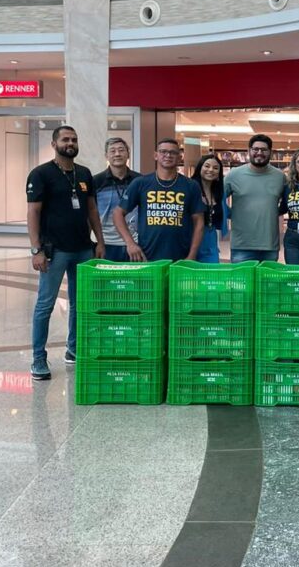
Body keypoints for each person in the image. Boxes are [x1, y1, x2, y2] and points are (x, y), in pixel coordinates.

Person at [26, 125, 105, 380]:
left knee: (79, 304)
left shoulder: (84, 174)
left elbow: (92, 210)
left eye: (74, 139)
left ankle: (73, 350)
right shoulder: (41, 174)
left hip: (83, 248)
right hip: (54, 251)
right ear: (54, 144)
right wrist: (36, 249)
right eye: (65, 139)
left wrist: (99, 242)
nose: (70, 143)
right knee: (45, 305)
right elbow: (33, 212)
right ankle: (38, 358)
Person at [114, 138, 204, 262]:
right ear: (156, 155)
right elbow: (118, 213)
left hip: (181, 258)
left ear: (179, 157)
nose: (168, 155)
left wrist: (192, 255)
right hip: (146, 257)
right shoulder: (141, 183)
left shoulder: (191, 186)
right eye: (163, 152)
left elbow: (199, 222)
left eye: (173, 153)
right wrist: (130, 243)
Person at [224, 134, 285, 262]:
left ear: (270, 152)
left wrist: (273, 212)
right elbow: (218, 199)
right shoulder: (233, 175)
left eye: (263, 150)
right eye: (255, 149)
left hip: (269, 245)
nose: (259, 153)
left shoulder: (280, 177)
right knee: (241, 282)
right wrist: (231, 213)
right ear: (249, 151)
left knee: (267, 282)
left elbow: (288, 202)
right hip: (241, 245)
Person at [93, 137, 140, 262]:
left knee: (135, 281)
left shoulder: (140, 181)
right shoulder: (96, 181)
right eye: (112, 151)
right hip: (107, 243)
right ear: (106, 155)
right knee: (108, 281)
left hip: (136, 243)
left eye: (121, 150)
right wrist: (98, 242)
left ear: (128, 154)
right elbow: (91, 213)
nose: (117, 154)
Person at [192, 153, 228, 264]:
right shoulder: (189, 188)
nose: (211, 170)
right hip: (191, 239)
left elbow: (227, 211)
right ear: (200, 168)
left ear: (219, 173)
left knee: (211, 276)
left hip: (211, 242)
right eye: (207, 166)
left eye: (215, 168)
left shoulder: (219, 193)